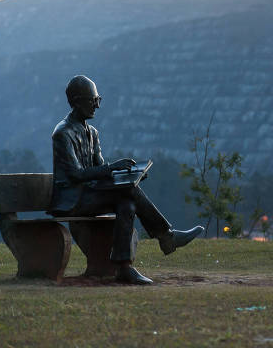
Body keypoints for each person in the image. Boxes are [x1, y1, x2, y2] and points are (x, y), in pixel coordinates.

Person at [50, 75, 203, 284]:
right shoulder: (62, 133)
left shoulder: (92, 133)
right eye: (92, 100)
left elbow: (101, 170)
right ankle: (166, 236)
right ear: (76, 101)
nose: (97, 106)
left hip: (89, 195)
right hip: (72, 200)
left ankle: (124, 268)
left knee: (127, 203)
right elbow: (76, 174)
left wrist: (130, 176)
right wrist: (112, 168)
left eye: (98, 100)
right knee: (128, 195)